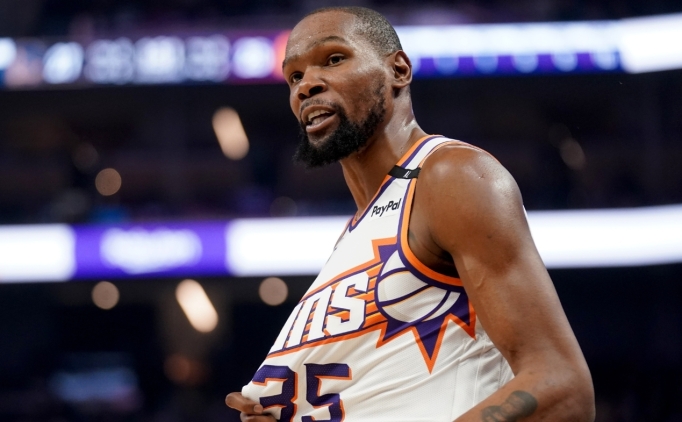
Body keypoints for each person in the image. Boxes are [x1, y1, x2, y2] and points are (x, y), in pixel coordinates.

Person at [226, 6, 594, 422]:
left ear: (398, 70)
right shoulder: (352, 235)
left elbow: (563, 386)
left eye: (333, 59)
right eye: (294, 76)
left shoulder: (450, 175)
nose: (306, 85)